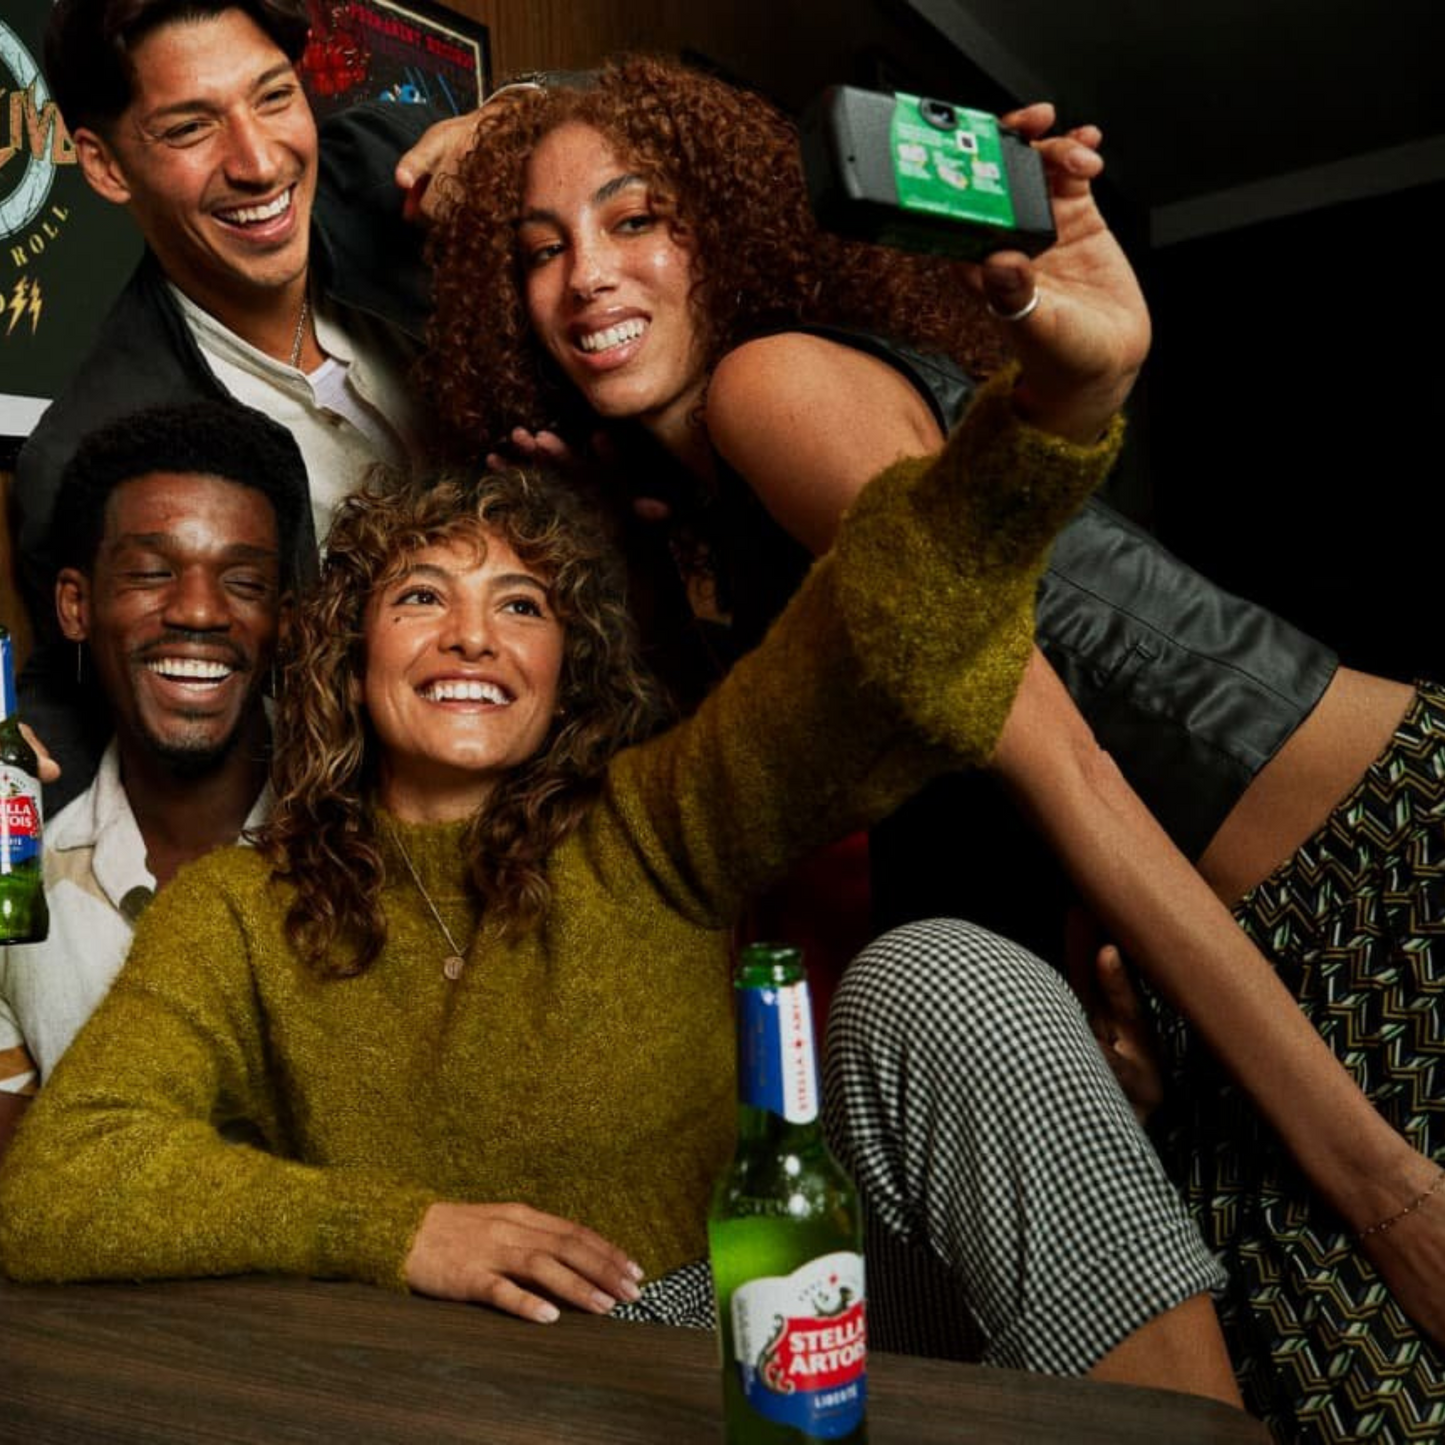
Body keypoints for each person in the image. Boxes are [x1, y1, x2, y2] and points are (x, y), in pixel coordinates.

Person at [420, 57, 1445, 1440]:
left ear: (723, 226)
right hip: (1236, 949)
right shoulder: (707, 499)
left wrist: (1386, 1186)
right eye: (541, 251)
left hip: (1368, 883)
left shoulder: (766, 388)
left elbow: (1065, 768)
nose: (587, 277)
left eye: (637, 217)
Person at [0, 371, 1238, 1402]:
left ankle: (1191, 1439)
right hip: (470, 1383)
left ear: (563, 666)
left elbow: (867, 653)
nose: (471, 637)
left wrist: (1050, 416)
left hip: (764, 1317)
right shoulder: (239, 906)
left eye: (518, 605)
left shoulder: (654, 818)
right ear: (347, 649)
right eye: (421, 596)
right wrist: (401, 1228)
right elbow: (62, 1183)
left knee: (941, 972)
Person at [12, 0, 476, 802]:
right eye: (190, 128)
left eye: (273, 96)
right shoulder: (92, 445)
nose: (259, 162)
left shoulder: (384, 163)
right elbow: (87, 703)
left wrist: (529, 106)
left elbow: (620, 125)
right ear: (106, 165)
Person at [0, 398, 310, 1156]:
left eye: (243, 582)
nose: (198, 610)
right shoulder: (18, 882)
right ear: (76, 605)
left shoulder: (378, 848)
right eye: (150, 572)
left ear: (287, 618)